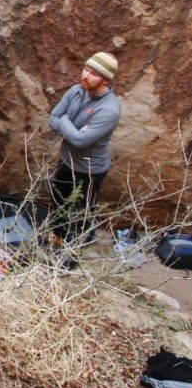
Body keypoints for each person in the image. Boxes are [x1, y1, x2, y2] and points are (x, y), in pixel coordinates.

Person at [48, 52, 121, 244]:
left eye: (93, 74)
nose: (85, 76)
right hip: (65, 161)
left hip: (88, 170)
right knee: (58, 204)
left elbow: (80, 141)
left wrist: (64, 121)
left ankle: (77, 248)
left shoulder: (109, 110)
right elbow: (53, 118)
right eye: (86, 70)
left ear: (105, 80)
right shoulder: (76, 91)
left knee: (81, 212)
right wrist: (70, 127)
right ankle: (56, 240)